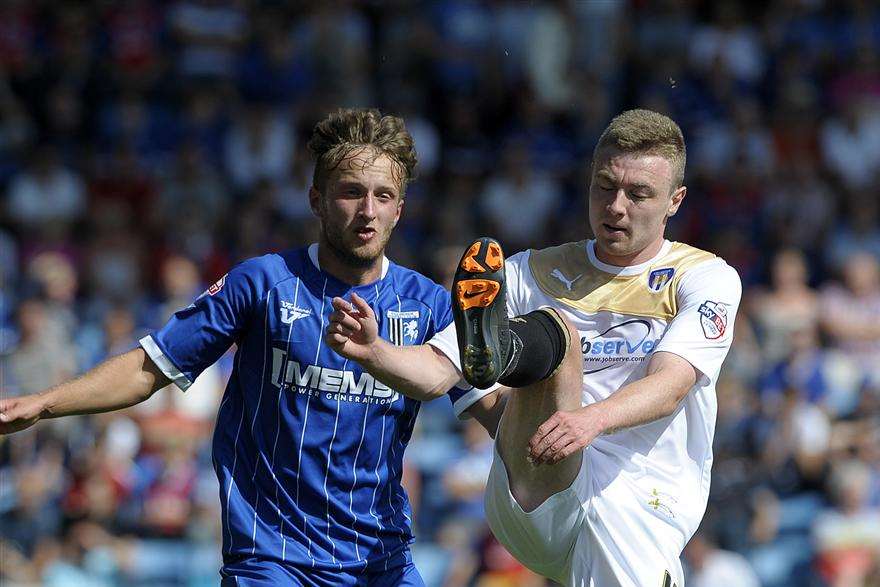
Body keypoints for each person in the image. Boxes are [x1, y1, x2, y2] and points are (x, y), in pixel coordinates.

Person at [0, 108, 475, 586]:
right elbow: (150, 369)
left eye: (383, 196)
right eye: (351, 192)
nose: (367, 210)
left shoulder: (429, 304)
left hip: (382, 563)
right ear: (316, 199)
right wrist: (46, 403)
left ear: (400, 209)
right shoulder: (262, 282)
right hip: (273, 561)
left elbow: (490, 405)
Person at [326, 109, 743, 586]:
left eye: (639, 194)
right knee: (557, 333)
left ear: (675, 201)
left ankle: (503, 351)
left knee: (617, 532)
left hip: (644, 497)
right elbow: (434, 373)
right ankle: (505, 348)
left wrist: (589, 420)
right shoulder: (529, 271)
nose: (616, 206)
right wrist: (374, 352)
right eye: (605, 187)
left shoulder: (705, 277)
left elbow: (671, 384)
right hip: (534, 486)